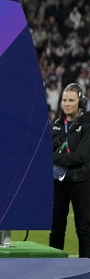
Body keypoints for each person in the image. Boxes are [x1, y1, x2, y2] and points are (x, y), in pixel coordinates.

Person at [51, 83, 90, 257]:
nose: (67, 104)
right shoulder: (56, 124)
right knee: (56, 227)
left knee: (83, 228)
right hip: (58, 182)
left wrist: (56, 156)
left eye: (71, 100)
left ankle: (86, 268)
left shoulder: (87, 124)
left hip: (81, 180)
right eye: (64, 100)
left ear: (80, 102)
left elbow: (80, 156)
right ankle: (53, 268)